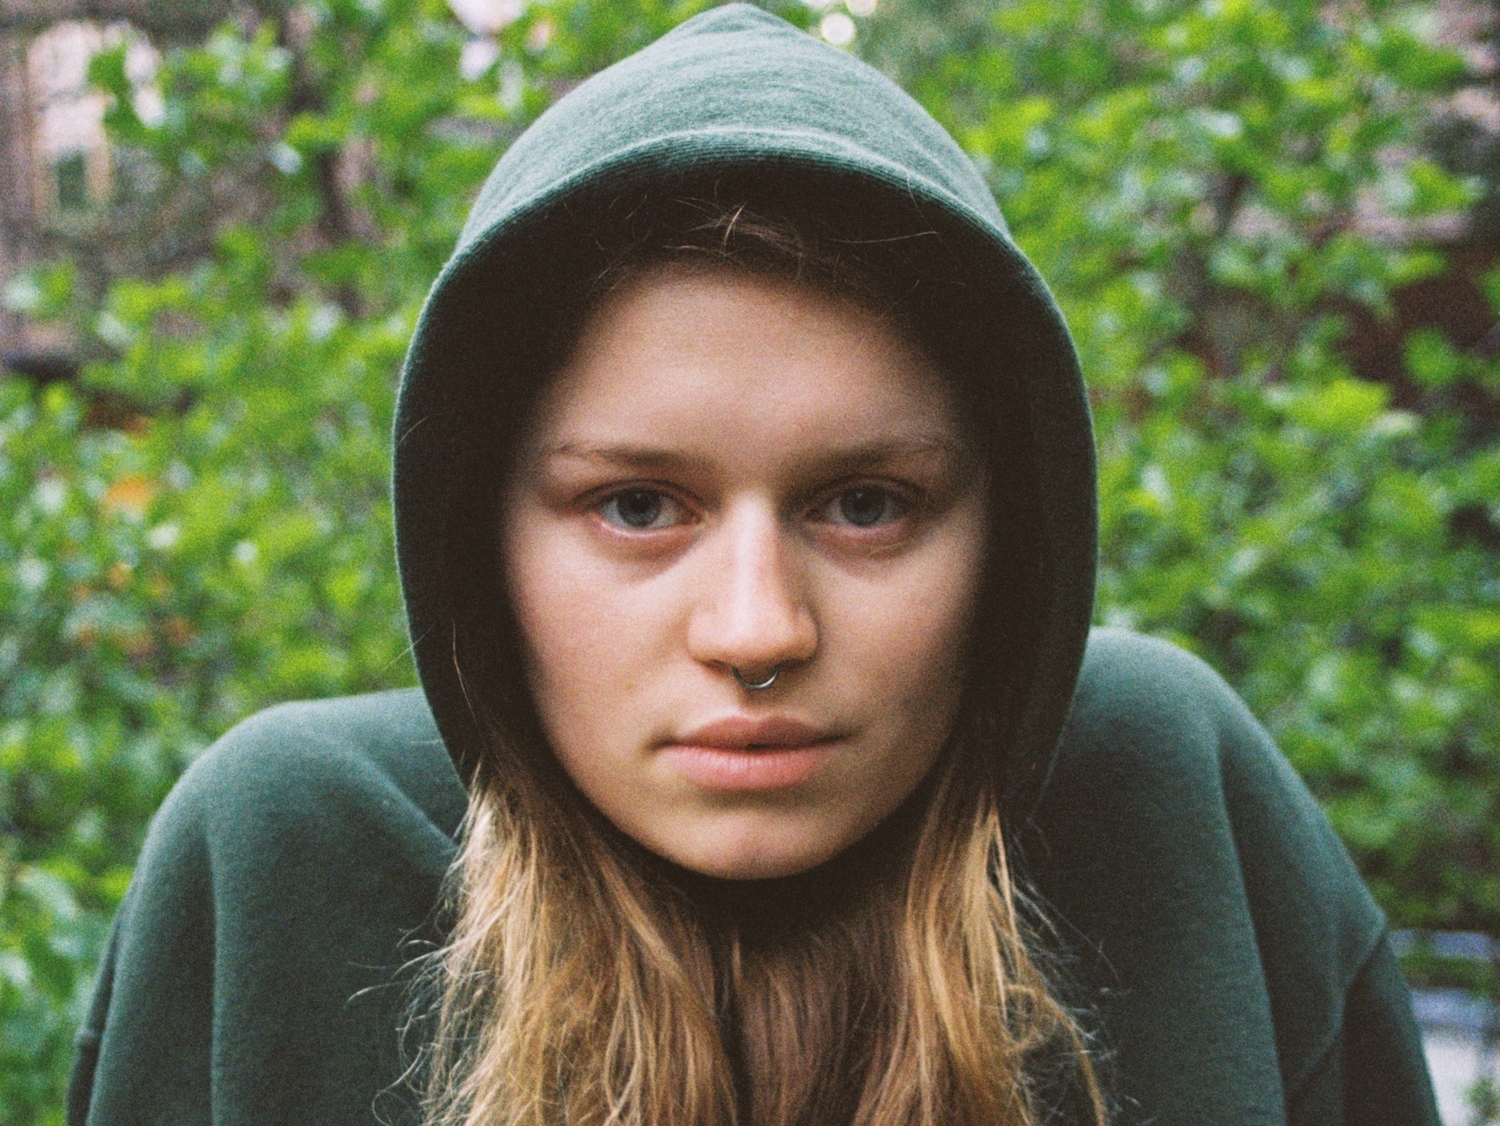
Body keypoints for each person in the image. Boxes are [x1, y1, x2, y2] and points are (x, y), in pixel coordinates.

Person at [66, 7, 1440, 1125]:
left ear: (1011, 546)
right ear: (480, 549)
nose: (756, 627)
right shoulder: (286, 864)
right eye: (638, 505)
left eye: (865, 502)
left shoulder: (1175, 811)